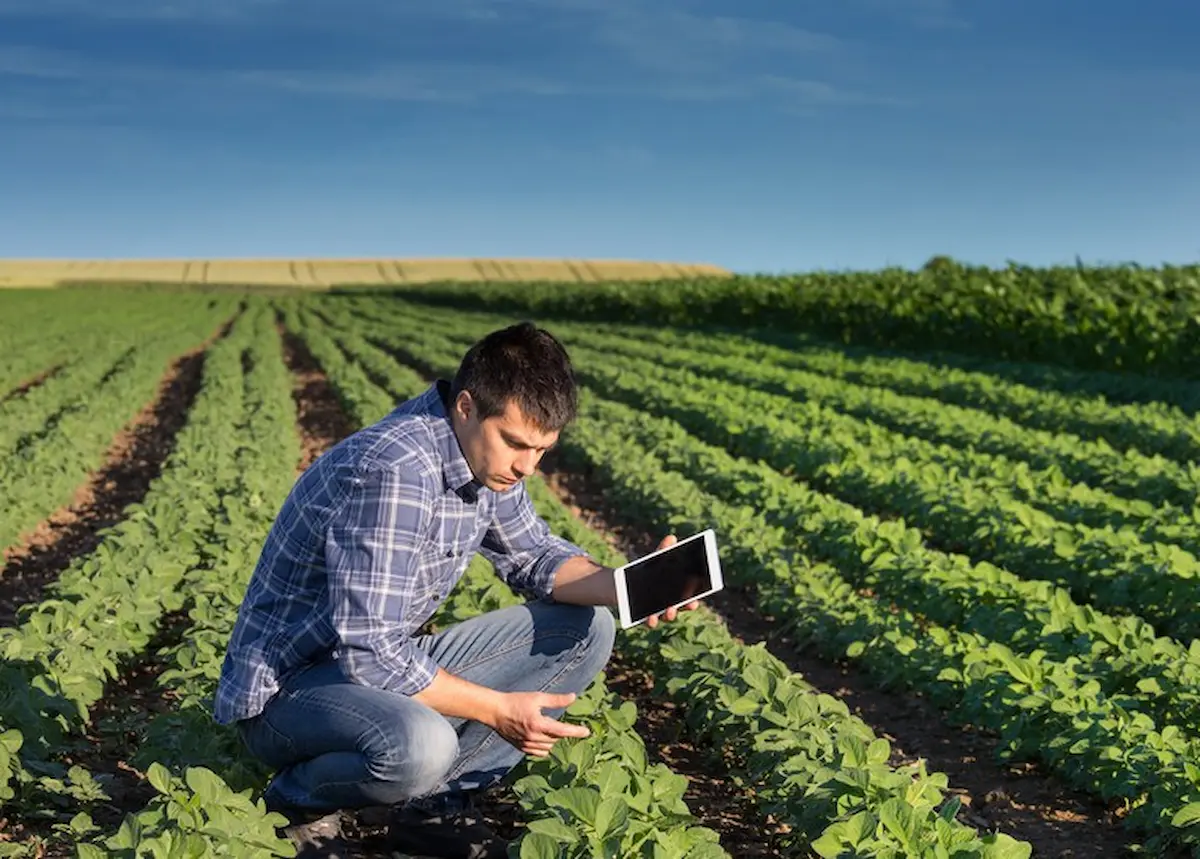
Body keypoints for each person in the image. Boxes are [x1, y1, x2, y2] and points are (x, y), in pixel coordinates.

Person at [212, 321, 697, 859]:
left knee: (586, 629)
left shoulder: (483, 460)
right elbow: (371, 657)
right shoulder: (395, 472)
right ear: (466, 406)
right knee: (422, 745)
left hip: (369, 669)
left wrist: (632, 584)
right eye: (516, 443)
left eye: (542, 450)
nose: (527, 467)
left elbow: (532, 555)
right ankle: (297, 802)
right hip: (290, 694)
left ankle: (432, 809)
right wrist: (496, 710)